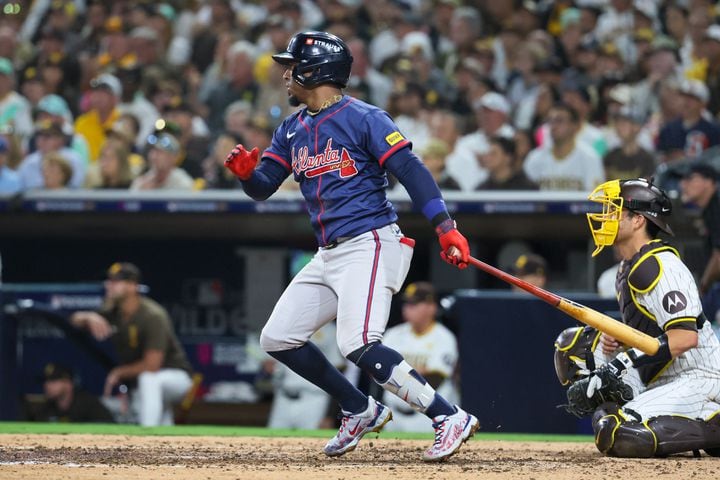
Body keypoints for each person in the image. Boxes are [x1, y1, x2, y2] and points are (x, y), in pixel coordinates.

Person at [223, 31, 478, 462]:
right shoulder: (292, 128)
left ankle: (447, 415)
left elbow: (411, 170)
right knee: (278, 337)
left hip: (371, 241)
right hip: (329, 252)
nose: (286, 75)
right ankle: (358, 408)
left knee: (358, 341)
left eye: (292, 67)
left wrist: (445, 225)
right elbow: (264, 187)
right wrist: (249, 175)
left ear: (315, 70)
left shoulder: (365, 117)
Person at [555, 177, 720, 457]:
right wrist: (621, 341)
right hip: (659, 375)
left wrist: (623, 361)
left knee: (619, 434)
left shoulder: (660, 265)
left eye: (614, 211)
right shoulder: (627, 267)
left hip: (698, 377)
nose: (606, 218)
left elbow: (685, 338)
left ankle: (714, 427)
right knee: (573, 349)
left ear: (638, 220)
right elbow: (652, 332)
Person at [71, 262, 194, 427]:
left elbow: (152, 365)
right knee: (157, 416)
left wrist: (119, 372)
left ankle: (146, 437)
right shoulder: (113, 312)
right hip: (143, 384)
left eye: (116, 281)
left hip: (176, 377)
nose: (109, 285)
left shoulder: (152, 315)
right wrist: (87, 316)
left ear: (132, 286)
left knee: (149, 380)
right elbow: (74, 321)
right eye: (109, 280)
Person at [381, 282, 459, 433]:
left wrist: (396, 374)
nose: (408, 308)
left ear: (432, 307)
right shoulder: (393, 334)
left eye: (414, 304)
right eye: (407, 303)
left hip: (427, 418)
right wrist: (416, 373)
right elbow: (376, 370)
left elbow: (435, 379)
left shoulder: (444, 337)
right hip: (393, 414)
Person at [680, 164, 720, 297]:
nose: (683, 184)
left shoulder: (716, 206)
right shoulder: (710, 208)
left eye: (690, 178)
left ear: (709, 182)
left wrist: (703, 287)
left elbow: (718, 257)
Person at [26, 363, 114, 423]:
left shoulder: (88, 404)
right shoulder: (45, 408)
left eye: (53, 380)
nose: (47, 385)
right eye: (46, 381)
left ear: (69, 384)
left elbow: (109, 426)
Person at [129, 133, 194, 191]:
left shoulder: (183, 183)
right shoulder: (142, 182)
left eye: (160, 152)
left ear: (173, 157)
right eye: (153, 151)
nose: (154, 156)